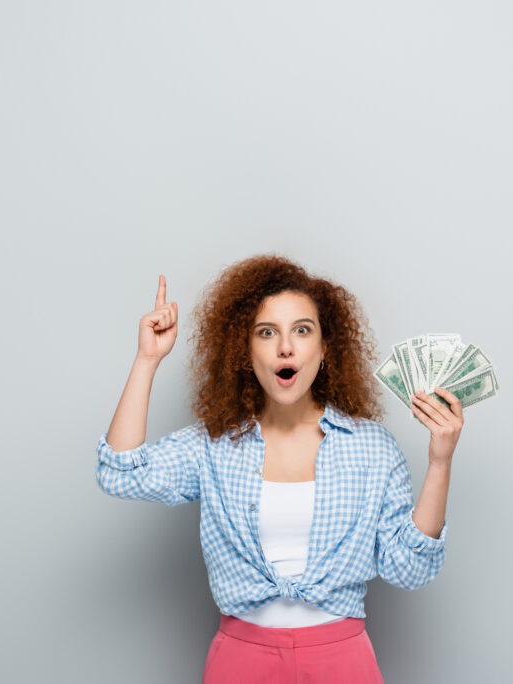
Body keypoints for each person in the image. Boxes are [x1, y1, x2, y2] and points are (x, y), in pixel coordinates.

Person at [96, 254, 464, 683]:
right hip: (240, 661)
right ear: (245, 350)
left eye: (302, 331)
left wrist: (440, 461)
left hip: (342, 662)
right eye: (267, 333)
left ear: (325, 348)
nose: (285, 346)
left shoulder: (371, 448)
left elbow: (410, 568)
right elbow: (120, 473)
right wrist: (147, 360)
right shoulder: (214, 445)